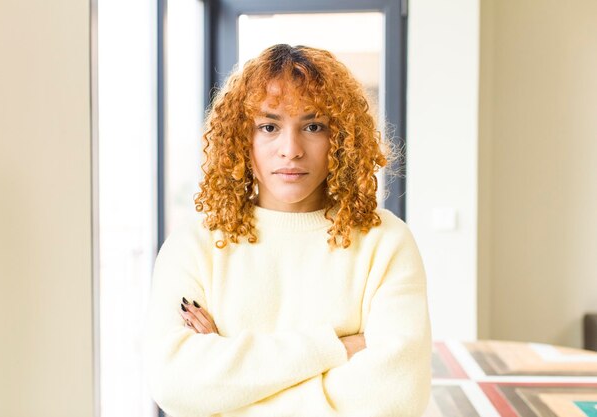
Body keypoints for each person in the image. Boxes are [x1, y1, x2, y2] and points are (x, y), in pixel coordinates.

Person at [143, 44, 431, 417]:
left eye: (313, 126)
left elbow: (394, 397)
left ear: (341, 138)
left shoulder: (386, 241)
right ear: (241, 139)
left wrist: (229, 391)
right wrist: (335, 348)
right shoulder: (194, 245)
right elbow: (175, 383)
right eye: (269, 126)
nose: (291, 149)